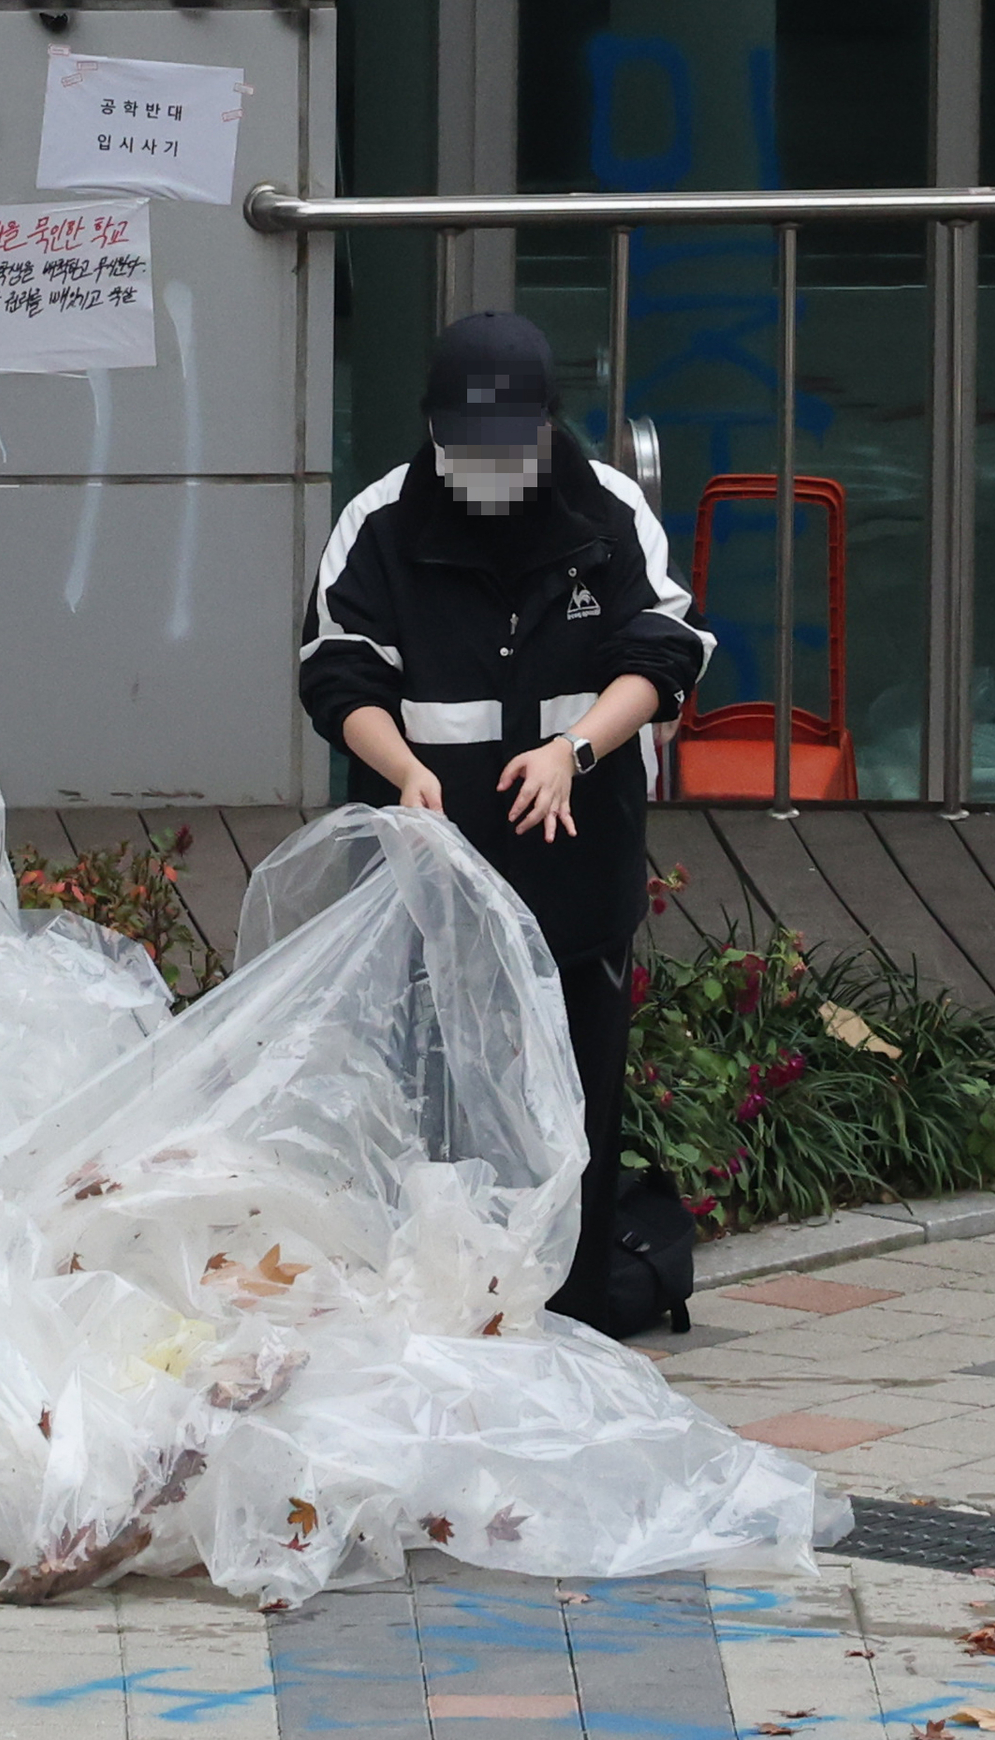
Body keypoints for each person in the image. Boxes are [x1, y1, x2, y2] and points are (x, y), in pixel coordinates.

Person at [295, 310, 710, 1331]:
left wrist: (574, 753)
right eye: (463, 447)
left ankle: (566, 1313)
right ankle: (446, 1304)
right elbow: (334, 666)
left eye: (506, 448)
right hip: (433, 869)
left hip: (578, 859)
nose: (486, 467)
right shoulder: (382, 520)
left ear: (544, 430)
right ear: (431, 431)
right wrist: (401, 770)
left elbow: (663, 652)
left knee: (573, 1095)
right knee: (435, 1090)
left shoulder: (605, 511)